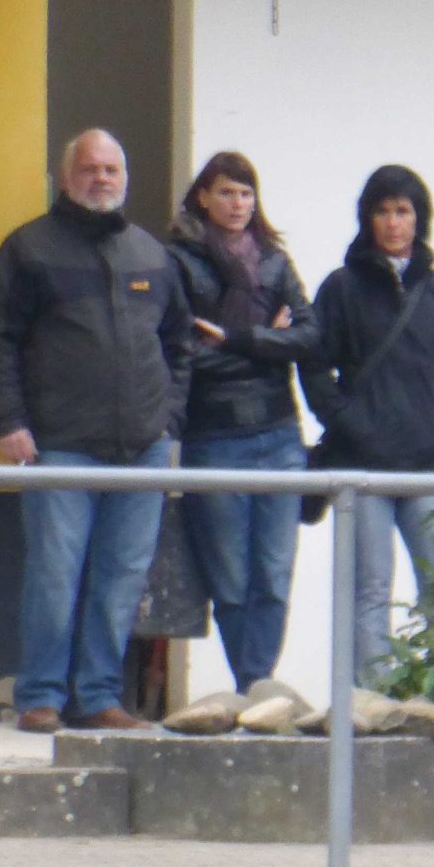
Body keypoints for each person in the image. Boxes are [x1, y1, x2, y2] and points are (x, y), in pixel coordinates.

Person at [0, 128, 191, 733]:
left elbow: (180, 347)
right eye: (90, 169)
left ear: (126, 179)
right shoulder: (28, 250)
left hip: (144, 448)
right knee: (55, 572)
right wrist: (9, 421)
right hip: (59, 443)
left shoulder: (154, 255)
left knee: (122, 577)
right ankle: (40, 697)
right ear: (65, 178)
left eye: (112, 170)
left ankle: (99, 698)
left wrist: (169, 423)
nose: (101, 179)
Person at [299, 163, 434, 687]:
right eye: (382, 210)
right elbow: (313, 366)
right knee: (369, 591)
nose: (393, 222)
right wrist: (352, 425)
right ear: (366, 219)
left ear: (420, 219)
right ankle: (371, 701)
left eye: (403, 210)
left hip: (428, 468)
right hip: (363, 468)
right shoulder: (341, 288)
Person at [167, 150, 317, 689]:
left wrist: (237, 338)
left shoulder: (275, 260)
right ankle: (252, 683)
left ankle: (257, 683)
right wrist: (267, 341)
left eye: (246, 193)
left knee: (274, 574)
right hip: (214, 436)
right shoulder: (178, 261)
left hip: (279, 436)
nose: (237, 204)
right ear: (203, 197)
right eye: (227, 192)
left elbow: (308, 336)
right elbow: (183, 352)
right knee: (229, 578)